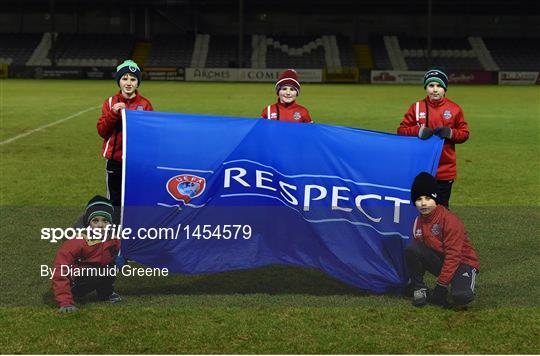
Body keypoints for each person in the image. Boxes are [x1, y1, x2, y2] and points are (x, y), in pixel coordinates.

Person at [405, 172, 479, 308]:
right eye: (419, 199)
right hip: (442, 260)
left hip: (463, 263)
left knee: (462, 297)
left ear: (435, 198)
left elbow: (454, 255)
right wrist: (414, 280)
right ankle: (419, 289)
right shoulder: (417, 222)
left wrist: (441, 285)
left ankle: (460, 283)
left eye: (428, 198)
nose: (423, 203)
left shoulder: (450, 220)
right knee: (412, 249)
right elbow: (418, 254)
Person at [397, 68, 469, 207]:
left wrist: (450, 133)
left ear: (445, 88)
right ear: (426, 88)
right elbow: (401, 130)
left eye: (439, 86)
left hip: (445, 169)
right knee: (420, 206)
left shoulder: (454, 109)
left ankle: (441, 229)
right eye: (431, 85)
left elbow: (465, 134)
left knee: (441, 208)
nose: (435, 90)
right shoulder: (416, 107)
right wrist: (418, 131)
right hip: (420, 167)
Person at [97, 60, 153, 216]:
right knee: (114, 201)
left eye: (133, 79)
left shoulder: (145, 104)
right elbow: (102, 131)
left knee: (133, 200)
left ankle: (131, 234)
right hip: (114, 161)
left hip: (135, 162)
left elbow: (150, 135)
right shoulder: (110, 102)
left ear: (138, 83)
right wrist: (113, 113)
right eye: (125, 78)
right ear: (119, 81)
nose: (128, 83)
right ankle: (114, 235)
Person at [52, 196, 121, 313]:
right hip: (77, 279)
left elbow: (122, 250)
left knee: (111, 266)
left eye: (105, 221)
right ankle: (75, 294)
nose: (100, 225)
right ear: (88, 223)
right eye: (95, 221)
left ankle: (105, 294)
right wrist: (65, 301)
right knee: (97, 272)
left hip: (96, 272)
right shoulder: (77, 240)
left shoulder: (112, 238)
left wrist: (122, 258)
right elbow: (60, 269)